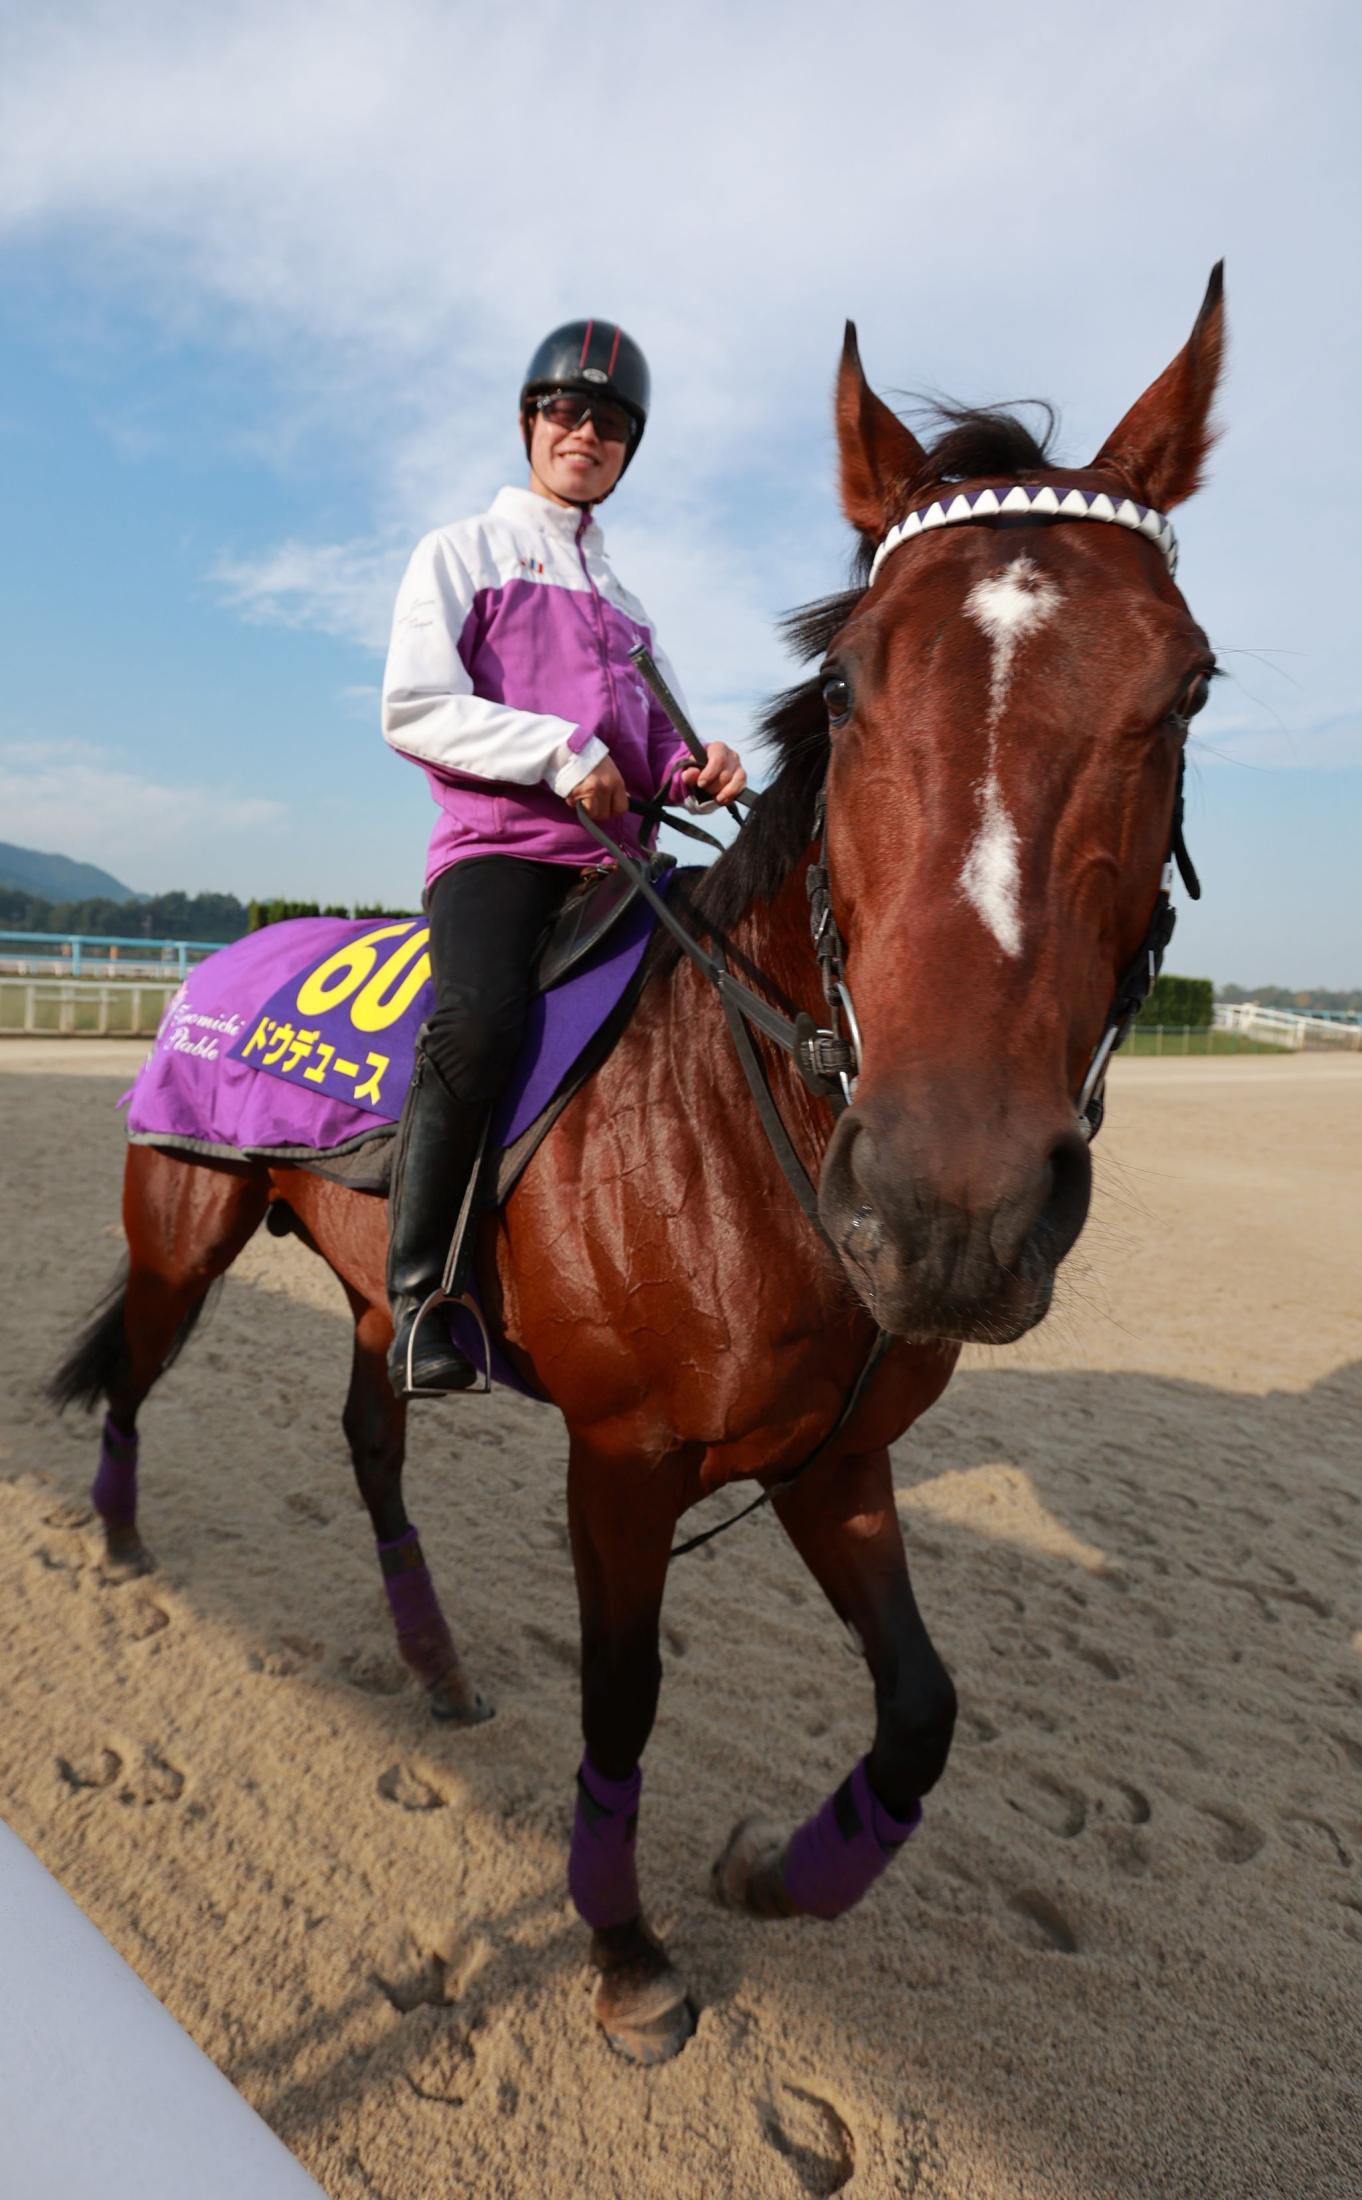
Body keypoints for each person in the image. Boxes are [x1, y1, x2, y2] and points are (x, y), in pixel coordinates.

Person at [380, 319, 747, 1396]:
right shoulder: (459, 553)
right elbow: (412, 706)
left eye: (610, 424)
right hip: (501, 850)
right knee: (480, 1018)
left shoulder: (629, 610)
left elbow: (659, 746)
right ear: (531, 423)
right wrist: (558, 751)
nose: (584, 433)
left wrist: (699, 765)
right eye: (565, 411)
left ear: (627, 451)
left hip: (618, 868)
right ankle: (420, 1299)